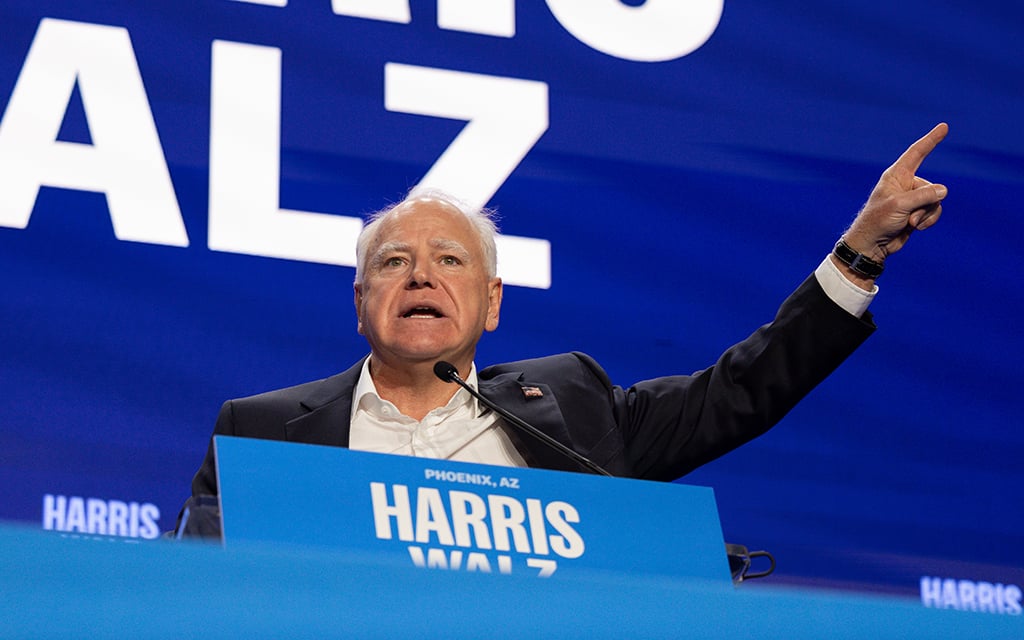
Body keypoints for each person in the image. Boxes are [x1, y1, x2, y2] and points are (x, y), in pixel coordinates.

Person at [179, 124, 948, 530]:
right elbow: (189, 590)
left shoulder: (572, 408)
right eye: (393, 263)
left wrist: (858, 254)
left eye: (450, 261)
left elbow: (738, 393)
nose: (420, 276)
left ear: (491, 305)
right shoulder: (261, 430)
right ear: (359, 303)